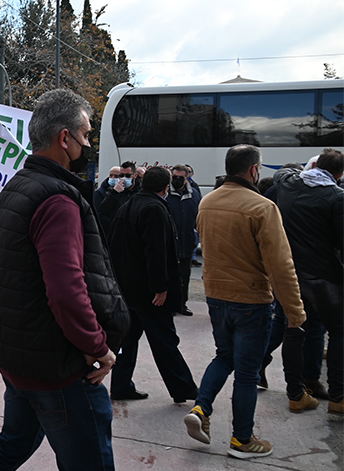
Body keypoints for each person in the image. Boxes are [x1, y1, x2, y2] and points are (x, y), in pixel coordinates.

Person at [0, 89, 129, 471]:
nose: (88, 144)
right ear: (64, 138)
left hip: (20, 357)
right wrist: (98, 347)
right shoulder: (56, 200)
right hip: (58, 368)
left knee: (12, 444)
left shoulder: (16, 187)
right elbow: (67, 291)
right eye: (85, 135)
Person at [185, 144, 305, 459]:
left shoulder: (207, 202)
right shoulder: (262, 207)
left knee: (224, 356)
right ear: (254, 170)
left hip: (215, 295)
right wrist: (295, 312)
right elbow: (281, 266)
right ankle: (242, 439)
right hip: (251, 298)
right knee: (247, 372)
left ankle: (200, 408)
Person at [108, 166, 198, 403]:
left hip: (130, 289)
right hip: (148, 291)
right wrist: (161, 287)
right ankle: (183, 387)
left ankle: (120, 385)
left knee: (128, 341)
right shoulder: (153, 208)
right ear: (165, 187)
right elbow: (156, 252)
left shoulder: (129, 204)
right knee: (165, 341)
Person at [274, 148, 343, 414]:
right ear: (338, 174)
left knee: (294, 329)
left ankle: (296, 393)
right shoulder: (337, 197)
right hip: (324, 277)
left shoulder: (289, 184)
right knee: (338, 331)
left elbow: (282, 172)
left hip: (290, 273)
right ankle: (338, 395)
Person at [166, 164, 203, 316]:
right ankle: (170, 304)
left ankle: (182, 303)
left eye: (181, 178)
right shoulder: (167, 194)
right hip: (169, 242)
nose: (177, 180)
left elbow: (198, 217)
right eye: (175, 177)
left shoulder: (194, 194)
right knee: (169, 275)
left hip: (187, 242)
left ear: (187, 178)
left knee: (185, 276)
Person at [95, 162, 138, 238]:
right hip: (117, 235)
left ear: (135, 176)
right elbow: (103, 209)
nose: (124, 178)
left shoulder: (140, 192)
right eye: (121, 175)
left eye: (127, 175)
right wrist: (114, 193)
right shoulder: (113, 191)